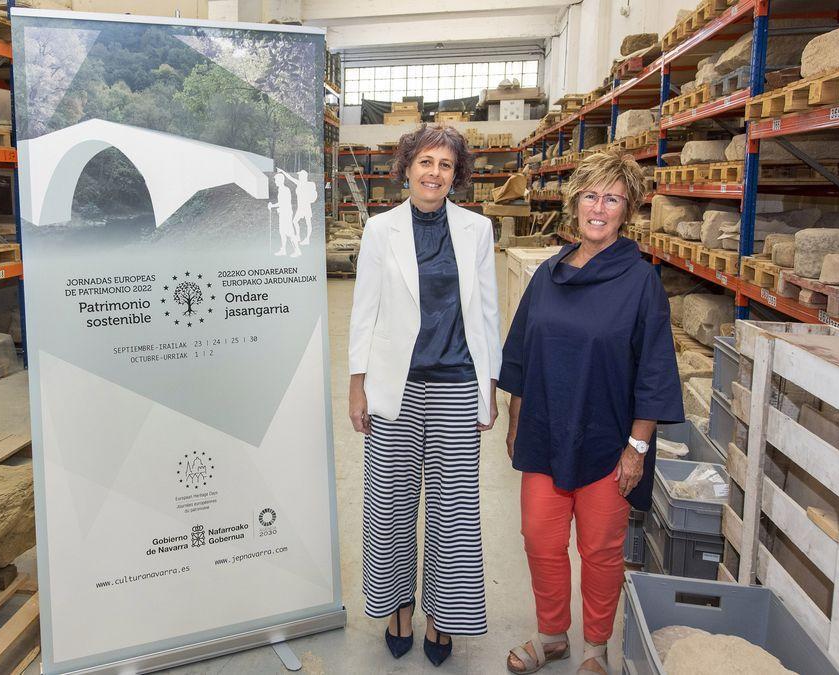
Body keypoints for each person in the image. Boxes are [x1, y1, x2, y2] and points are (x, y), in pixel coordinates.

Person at [499, 150, 683, 674]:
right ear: (574, 202)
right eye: (590, 195)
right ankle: (552, 635)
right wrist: (516, 421)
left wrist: (638, 448)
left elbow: (653, 369)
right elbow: (521, 354)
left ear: (627, 211)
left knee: (601, 550)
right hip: (544, 431)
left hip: (608, 441)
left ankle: (596, 647)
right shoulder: (548, 274)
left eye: (612, 199)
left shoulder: (639, 280)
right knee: (540, 539)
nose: (598, 207)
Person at [348, 124, 501, 667]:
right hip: (397, 385)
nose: (434, 172)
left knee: (452, 509)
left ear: (457, 174)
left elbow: (486, 311)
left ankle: (444, 616)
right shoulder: (379, 230)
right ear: (407, 168)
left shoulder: (477, 230)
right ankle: (397, 610)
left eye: (445, 164)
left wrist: (489, 385)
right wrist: (357, 381)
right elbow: (363, 309)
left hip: (457, 383)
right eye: (425, 162)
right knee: (389, 502)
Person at [280, 169, 318, 245]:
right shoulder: (300, 183)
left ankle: (307, 239)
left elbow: (314, 194)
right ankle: (298, 236)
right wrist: (283, 172)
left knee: (308, 223)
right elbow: (290, 178)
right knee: (295, 221)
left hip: (306, 206)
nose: (299, 176)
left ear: (303, 176)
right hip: (300, 207)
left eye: (300, 175)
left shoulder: (309, 184)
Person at [269, 173, 300, 257]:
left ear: (280, 180)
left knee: (289, 233)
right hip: (283, 213)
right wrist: (274, 206)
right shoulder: (281, 189)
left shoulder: (285, 190)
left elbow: (285, 203)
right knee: (282, 232)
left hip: (286, 214)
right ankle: (283, 249)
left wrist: (275, 206)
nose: (275, 182)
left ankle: (297, 251)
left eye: (275, 180)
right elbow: (281, 202)